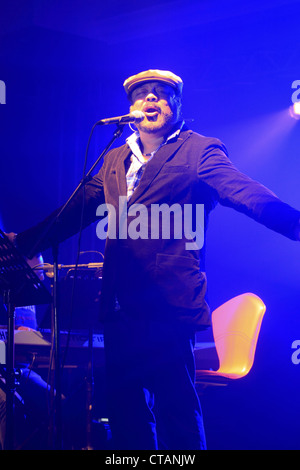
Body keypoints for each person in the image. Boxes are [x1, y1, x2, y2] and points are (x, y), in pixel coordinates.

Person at [6, 69, 300, 450]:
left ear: (176, 105)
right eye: (142, 94)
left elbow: (246, 193)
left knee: (176, 411)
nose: (151, 99)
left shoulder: (199, 150)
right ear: (130, 108)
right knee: (127, 413)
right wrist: (23, 245)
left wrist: (295, 224)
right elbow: (71, 212)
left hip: (168, 304)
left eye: (161, 94)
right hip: (118, 304)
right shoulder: (114, 158)